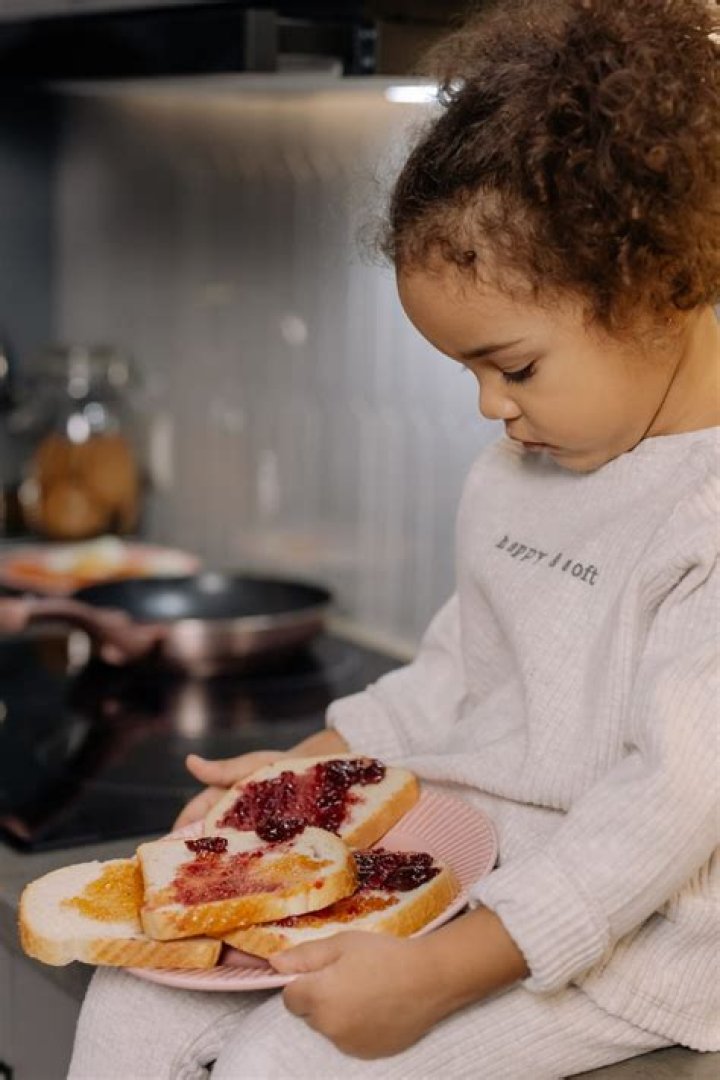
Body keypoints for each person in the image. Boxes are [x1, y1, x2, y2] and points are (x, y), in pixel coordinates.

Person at [68, 0, 719, 1076]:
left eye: (512, 367)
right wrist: (321, 766)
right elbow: (464, 669)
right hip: (473, 872)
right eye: (468, 373)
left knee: (293, 1059)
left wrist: (434, 975)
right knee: (131, 1001)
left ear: (660, 290)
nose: (488, 411)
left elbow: (661, 817)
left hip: (630, 939)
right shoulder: (532, 465)